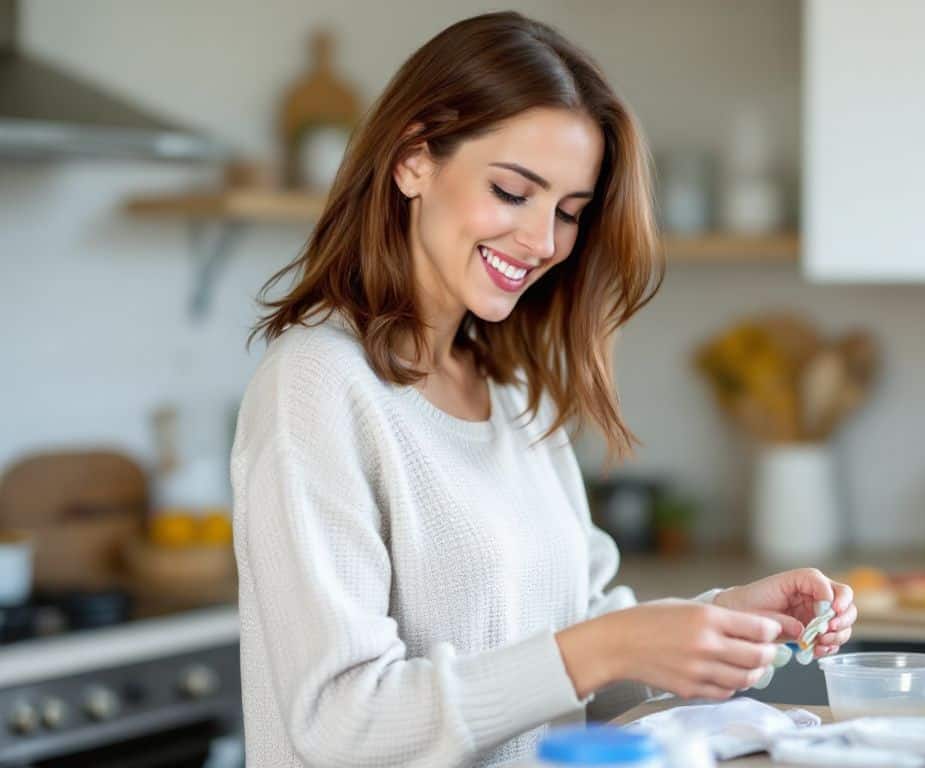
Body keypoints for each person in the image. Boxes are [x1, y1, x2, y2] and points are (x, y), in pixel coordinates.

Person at [231, 11, 856, 767]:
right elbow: (339, 723)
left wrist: (716, 621)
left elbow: (573, 650)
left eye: (568, 212)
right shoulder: (317, 386)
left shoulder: (513, 390)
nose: (542, 242)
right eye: (511, 190)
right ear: (413, 159)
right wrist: (604, 646)